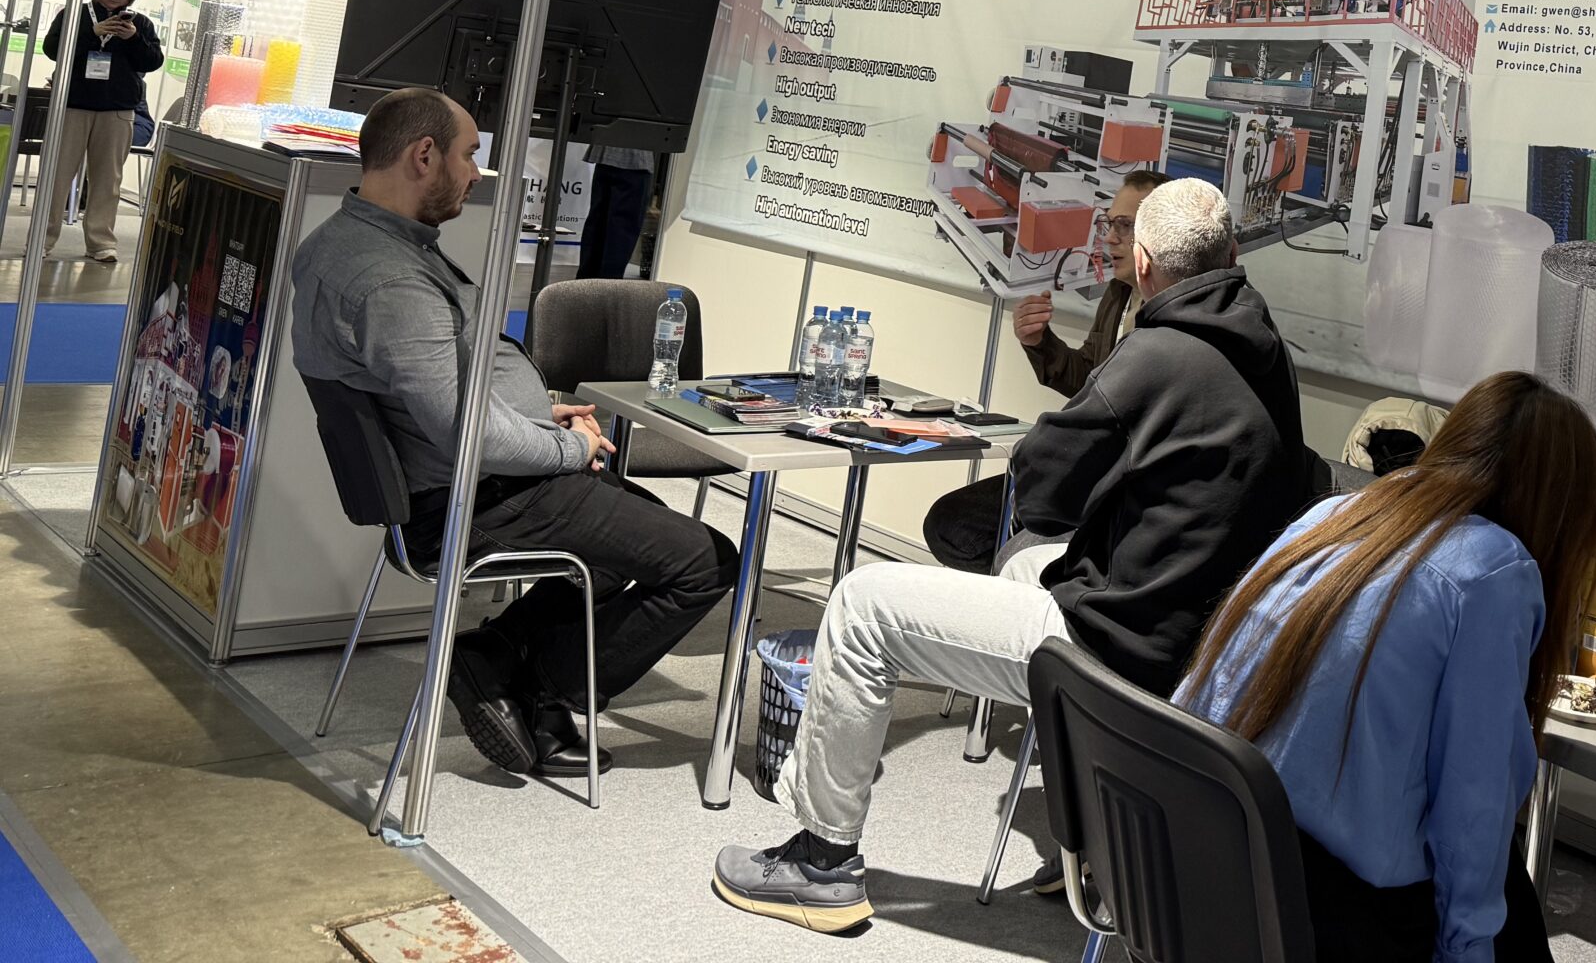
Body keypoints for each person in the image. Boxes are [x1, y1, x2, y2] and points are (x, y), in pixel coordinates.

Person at [711, 176, 1307, 933]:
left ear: (1146, 264)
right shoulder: (1266, 355)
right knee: (1025, 565)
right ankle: (1099, 841)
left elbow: (1044, 493)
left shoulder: (1156, 354)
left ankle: (820, 862)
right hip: (1200, 640)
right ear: (1231, 255)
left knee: (862, 605)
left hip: (1115, 650)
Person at [291, 88, 736, 778]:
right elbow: (462, 433)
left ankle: (495, 657)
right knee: (705, 562)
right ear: (424, 155)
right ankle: (538, 682)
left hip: (466, 482)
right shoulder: (391, 281)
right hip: (476, 497)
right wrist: (566, 448)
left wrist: (531, 415)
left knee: (629, 537)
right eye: (469, 155)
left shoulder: (341, 242)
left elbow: (437, 396)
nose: (476, 173)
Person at [1180, 371, 1596, 963]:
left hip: (1201, 861)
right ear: (1561, 517)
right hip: (1311, 913)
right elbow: (1473, 812)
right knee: (1502, 898)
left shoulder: (1335, 514)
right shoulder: (1493, 571)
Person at [920, 169, 1168, 573]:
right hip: (1082, 473)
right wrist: (1040, 343)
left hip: (1120, 488)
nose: (1109, 238)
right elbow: (1089, 378)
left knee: (1016, 555)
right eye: (1108, 224)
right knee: (950, 525)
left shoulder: (1176, 319)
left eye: (1125, 226)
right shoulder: (1119, 293)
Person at [40, 0, 161, 263]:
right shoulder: (75, 15)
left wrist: (132, 38)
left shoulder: (140, 24)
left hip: (117, 111)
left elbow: (152, 61)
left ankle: (100, 242)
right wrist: (91, 33)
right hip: (73, 106)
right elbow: (52, 49)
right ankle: (42, 239)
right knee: (56, 176)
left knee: (108, 181)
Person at [576, 142, 659, 282]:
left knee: (597, 226)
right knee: (619, 232)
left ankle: (584, 287)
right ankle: (605, 289)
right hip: (634, 158)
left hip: (606, 153)